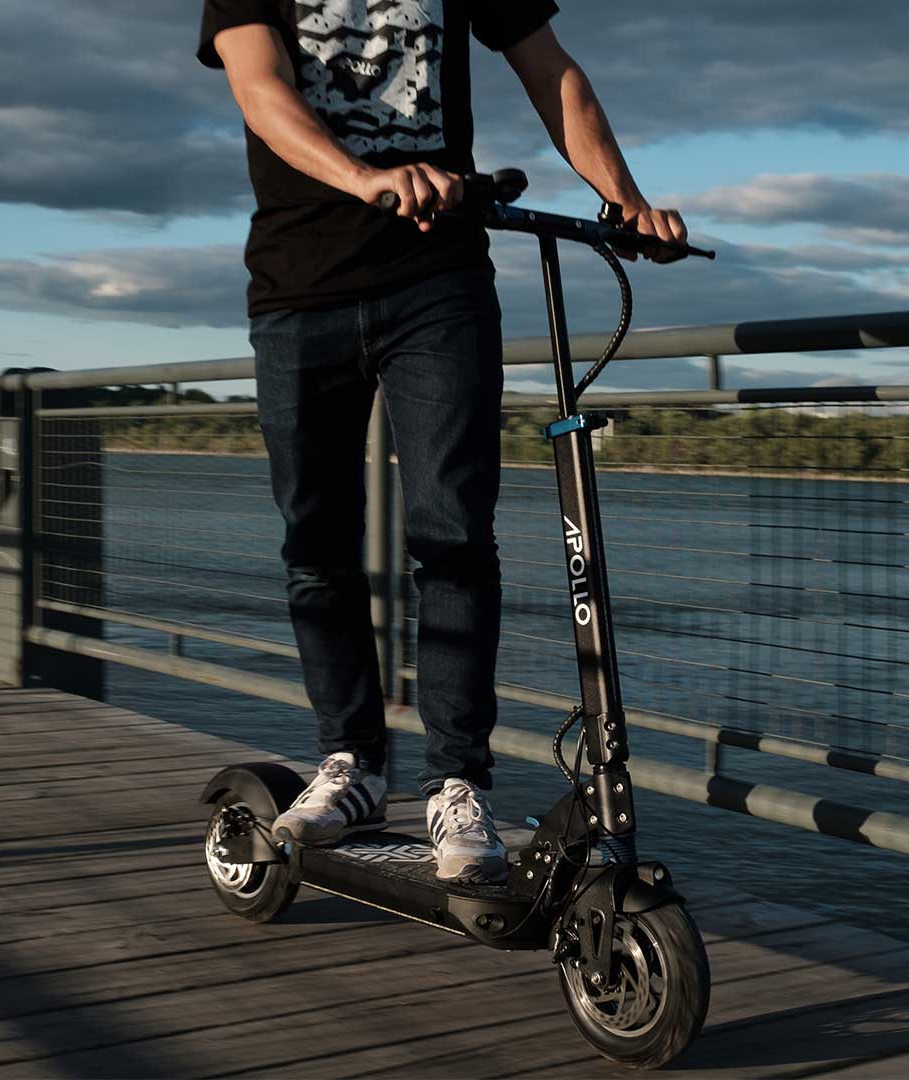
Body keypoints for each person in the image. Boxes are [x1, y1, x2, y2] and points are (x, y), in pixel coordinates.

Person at [197, 0, 686, 884]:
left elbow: (550, 68)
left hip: (438, 281)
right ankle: (350, 761)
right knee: (317, 542)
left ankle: (457, 780)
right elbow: (261, 92)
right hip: (299, 288)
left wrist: (625, 200)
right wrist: (366, 179)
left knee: (453, 535)